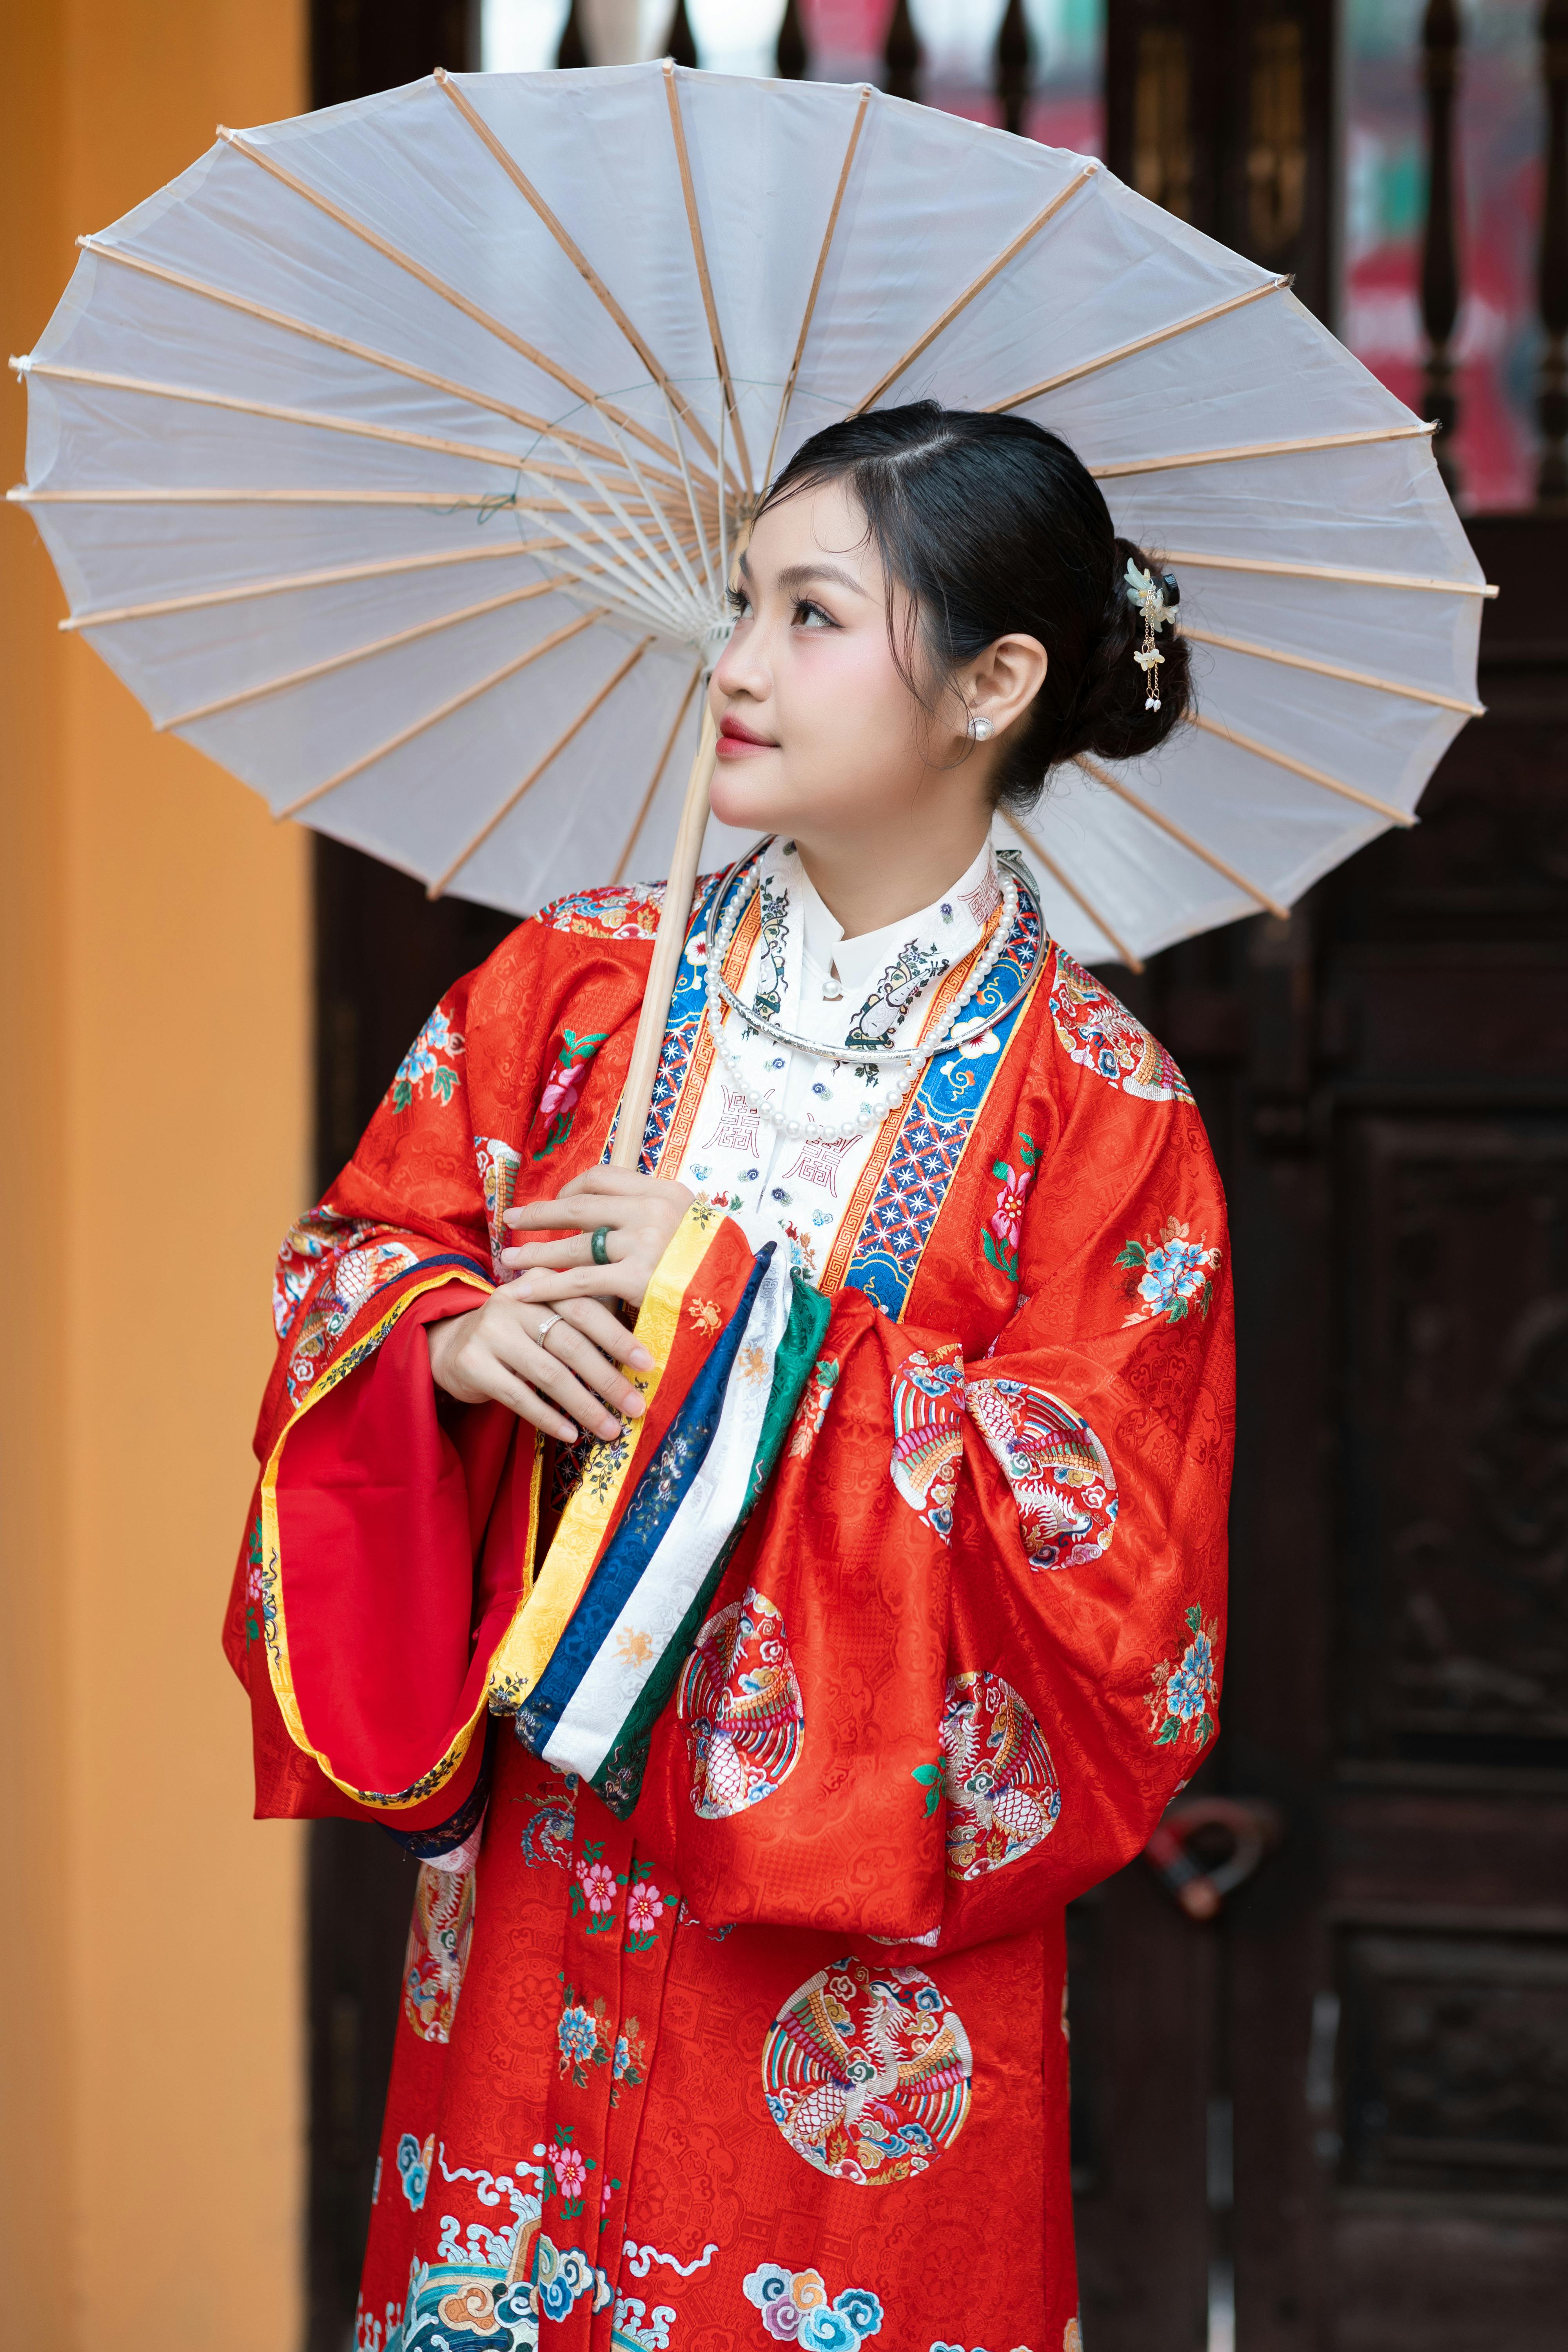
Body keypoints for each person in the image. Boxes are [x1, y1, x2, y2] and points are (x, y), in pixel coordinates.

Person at [228, 403, 1232, 2352]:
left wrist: (735, 1320)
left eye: (810, 613)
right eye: (738, 602)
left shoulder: (1102, 1110)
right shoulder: (577, 988)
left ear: (994, 682)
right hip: (540, 1891)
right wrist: (445, 1342)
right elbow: (350, 1258)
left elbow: (1114, 1583)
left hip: (854, 1985)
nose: (737, 661)